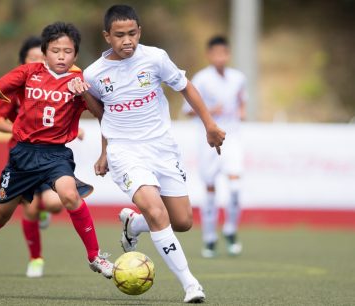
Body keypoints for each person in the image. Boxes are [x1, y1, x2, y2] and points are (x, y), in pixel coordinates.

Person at [80, 5, 225, 303]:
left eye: (132, 33)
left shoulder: (155, 58)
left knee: (182, 221)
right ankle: (191, 285)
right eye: (119, 35)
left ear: (140, 32)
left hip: (162, 149)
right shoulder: (94, 74)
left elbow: (186, 87)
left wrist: (210, 125)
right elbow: (103, 115)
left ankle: (134, 224)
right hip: (126, 152)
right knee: (158, 212)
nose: (127, 40)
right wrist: (105, 152)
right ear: (107, 36)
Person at [0, 21, 113, 290]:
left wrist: (84, 96)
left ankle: (95, 256)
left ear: (75, 55)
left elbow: (104, 115)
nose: (61, 56)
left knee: (69, 194)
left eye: (67, 51)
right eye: (55, 50)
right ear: (44, 52)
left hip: (56, 155)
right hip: (23, 156)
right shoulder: (29, 72)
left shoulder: (80, 81)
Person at [0, 35, 85, 278]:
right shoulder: (18, 87)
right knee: (28, 210)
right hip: (23, 156)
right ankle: (36, 259)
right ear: (24, 64)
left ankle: (45, 213)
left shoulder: (61, 81)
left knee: (54, 203)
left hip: (50, 154)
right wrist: (20, 128)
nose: (39, 61)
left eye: (40, 57)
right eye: (33, 59)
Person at [182, 35, 246, 258]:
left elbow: (241, 100)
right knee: (210, 189)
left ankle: (230, 230)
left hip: (232, 138)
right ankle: (209, 238)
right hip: (207, 140)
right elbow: (187, 109)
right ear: (209, 55)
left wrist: (241, 112)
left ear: (228, 54)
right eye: (216, 53)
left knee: (236, 186)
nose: (220, 57)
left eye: (224, 53)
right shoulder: (201, 79)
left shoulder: (238, 78)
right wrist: (210, 112)